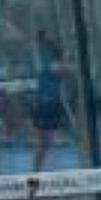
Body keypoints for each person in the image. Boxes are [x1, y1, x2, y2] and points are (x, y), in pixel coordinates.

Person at [27, 26, 72, 172]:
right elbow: (62, 70)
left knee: (46, 142)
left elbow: (64, 71)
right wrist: (66, 59)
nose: (50, 37)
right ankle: (38, 171)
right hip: (45, 103)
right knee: (44, 142)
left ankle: (41, 170)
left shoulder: (51, 52)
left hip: (50, 102)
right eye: (47, 36)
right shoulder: (44, 55)